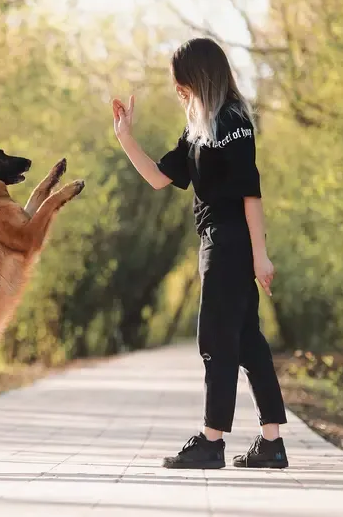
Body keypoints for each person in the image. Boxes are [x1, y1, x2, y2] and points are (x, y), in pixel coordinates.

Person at [111, 37, 289, 469]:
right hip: (218, 240)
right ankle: (271, 444)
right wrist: (125, 137)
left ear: (199, 76)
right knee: (247, 342)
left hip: (229, 242)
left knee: (216, 338)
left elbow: (250, 192)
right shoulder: (199, 126)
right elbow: (159, 177)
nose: (178, 89)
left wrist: (260, 254)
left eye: (182, 81)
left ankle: (211, 443)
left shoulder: (232, 120)